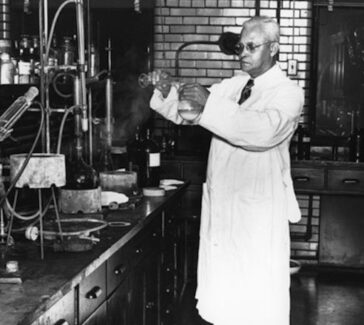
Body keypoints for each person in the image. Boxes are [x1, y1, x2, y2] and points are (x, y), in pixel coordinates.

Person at [150, 16, 304, 325]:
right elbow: (187, 113)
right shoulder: (233, 86)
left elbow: (261, 132)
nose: (243, 53)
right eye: (240, 46)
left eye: (251, 46)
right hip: (223, 208)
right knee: (223, 300)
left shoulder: (288, 92)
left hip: (257, 211)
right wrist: (168, 90)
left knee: (256, 302)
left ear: (273, 48)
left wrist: (210, 102)